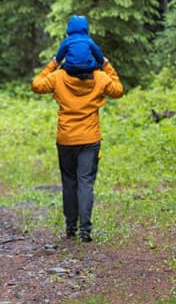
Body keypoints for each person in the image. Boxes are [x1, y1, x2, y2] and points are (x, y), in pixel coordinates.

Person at [31, 53, 124, 242]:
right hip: (90, 140)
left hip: (65, 139)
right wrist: (106, 63)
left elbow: (36, 85)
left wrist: (54, 62)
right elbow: (119, 90)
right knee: (86, 183)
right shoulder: (100, 77)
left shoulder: (58, 77)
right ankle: (85, 230)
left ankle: (70, 226)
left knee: (69, 182)